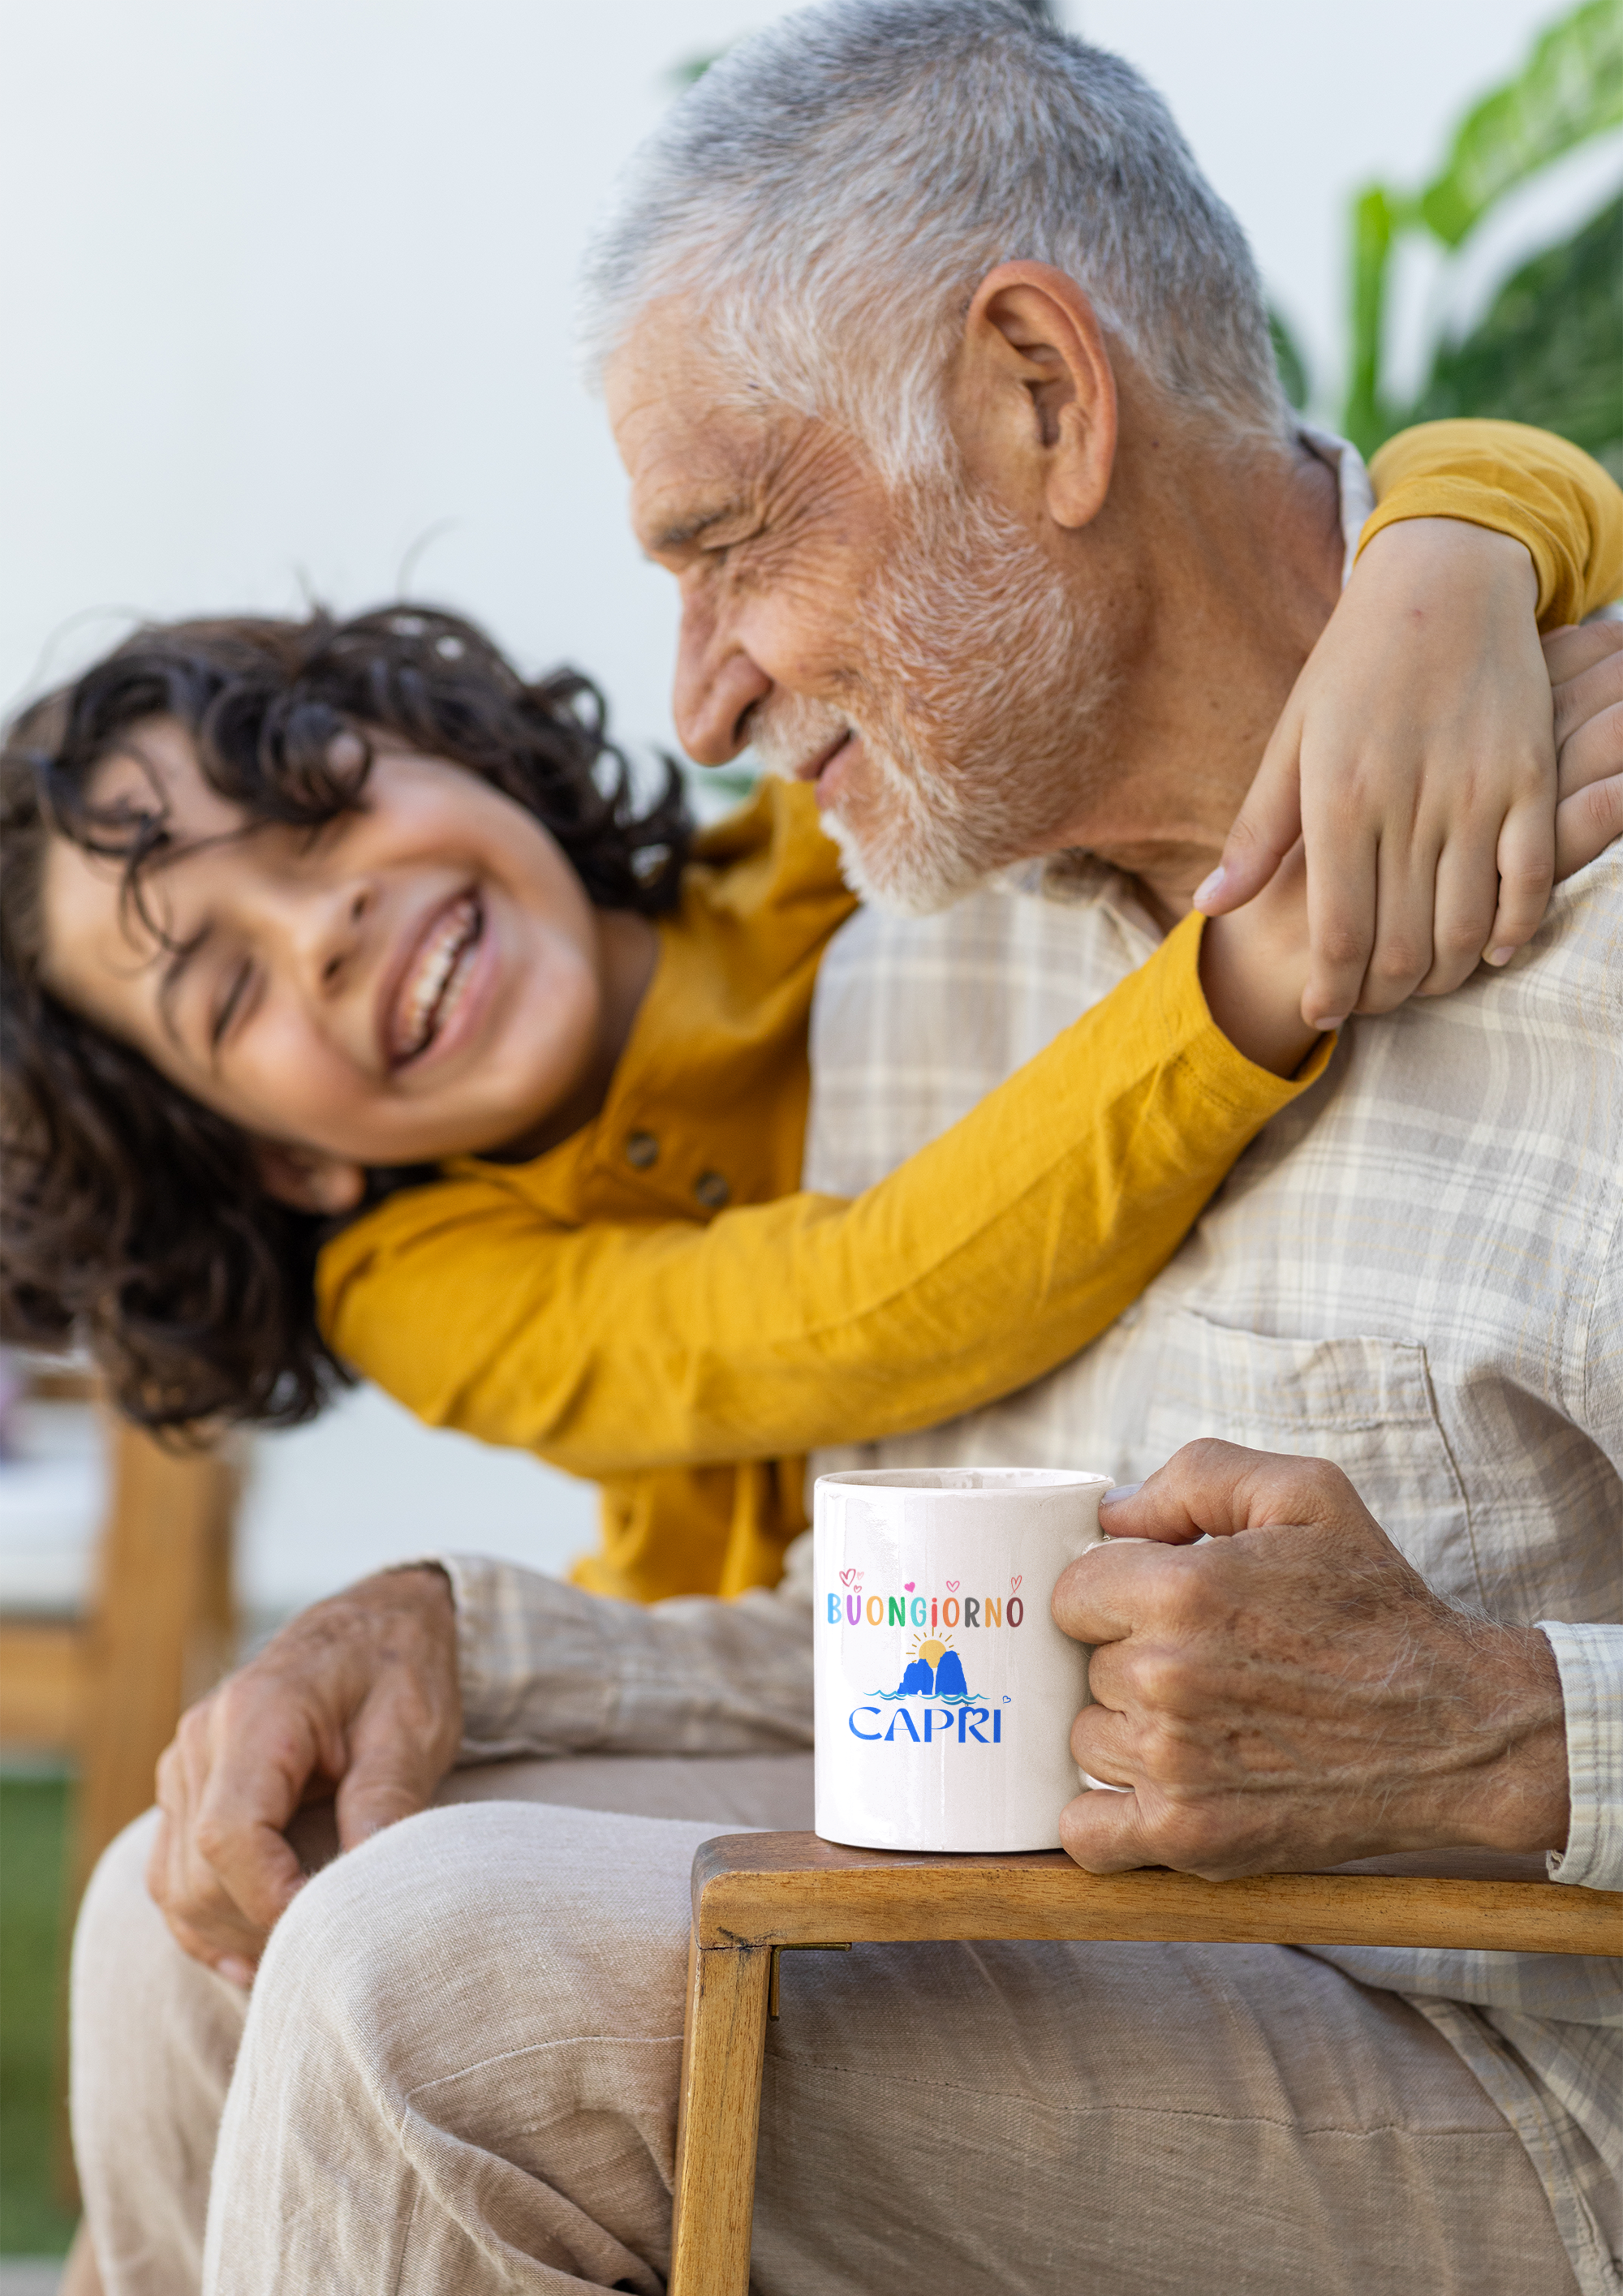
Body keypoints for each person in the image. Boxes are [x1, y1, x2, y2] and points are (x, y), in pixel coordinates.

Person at [59, 6, 1623, 2296]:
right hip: (1104, 1973)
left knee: (444, 1978)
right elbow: (942, 1642)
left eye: (732, 542)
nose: (693, 701)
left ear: (1038, 396)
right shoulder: (921, 945)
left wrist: (1506, 1740)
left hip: (1553, 2128)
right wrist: (467, 1646)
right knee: (209, 1915)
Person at [8, 419, 1623, 1608]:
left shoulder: (824, 843)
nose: (327, 926)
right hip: (782, 1676)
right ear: (272, 1161)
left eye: (313, 814)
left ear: (449, 752)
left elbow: (1325, 503)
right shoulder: (417, 1290)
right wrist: (1254, 965)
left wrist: (1445, 565)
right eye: (229, 993)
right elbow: (863, 1307)